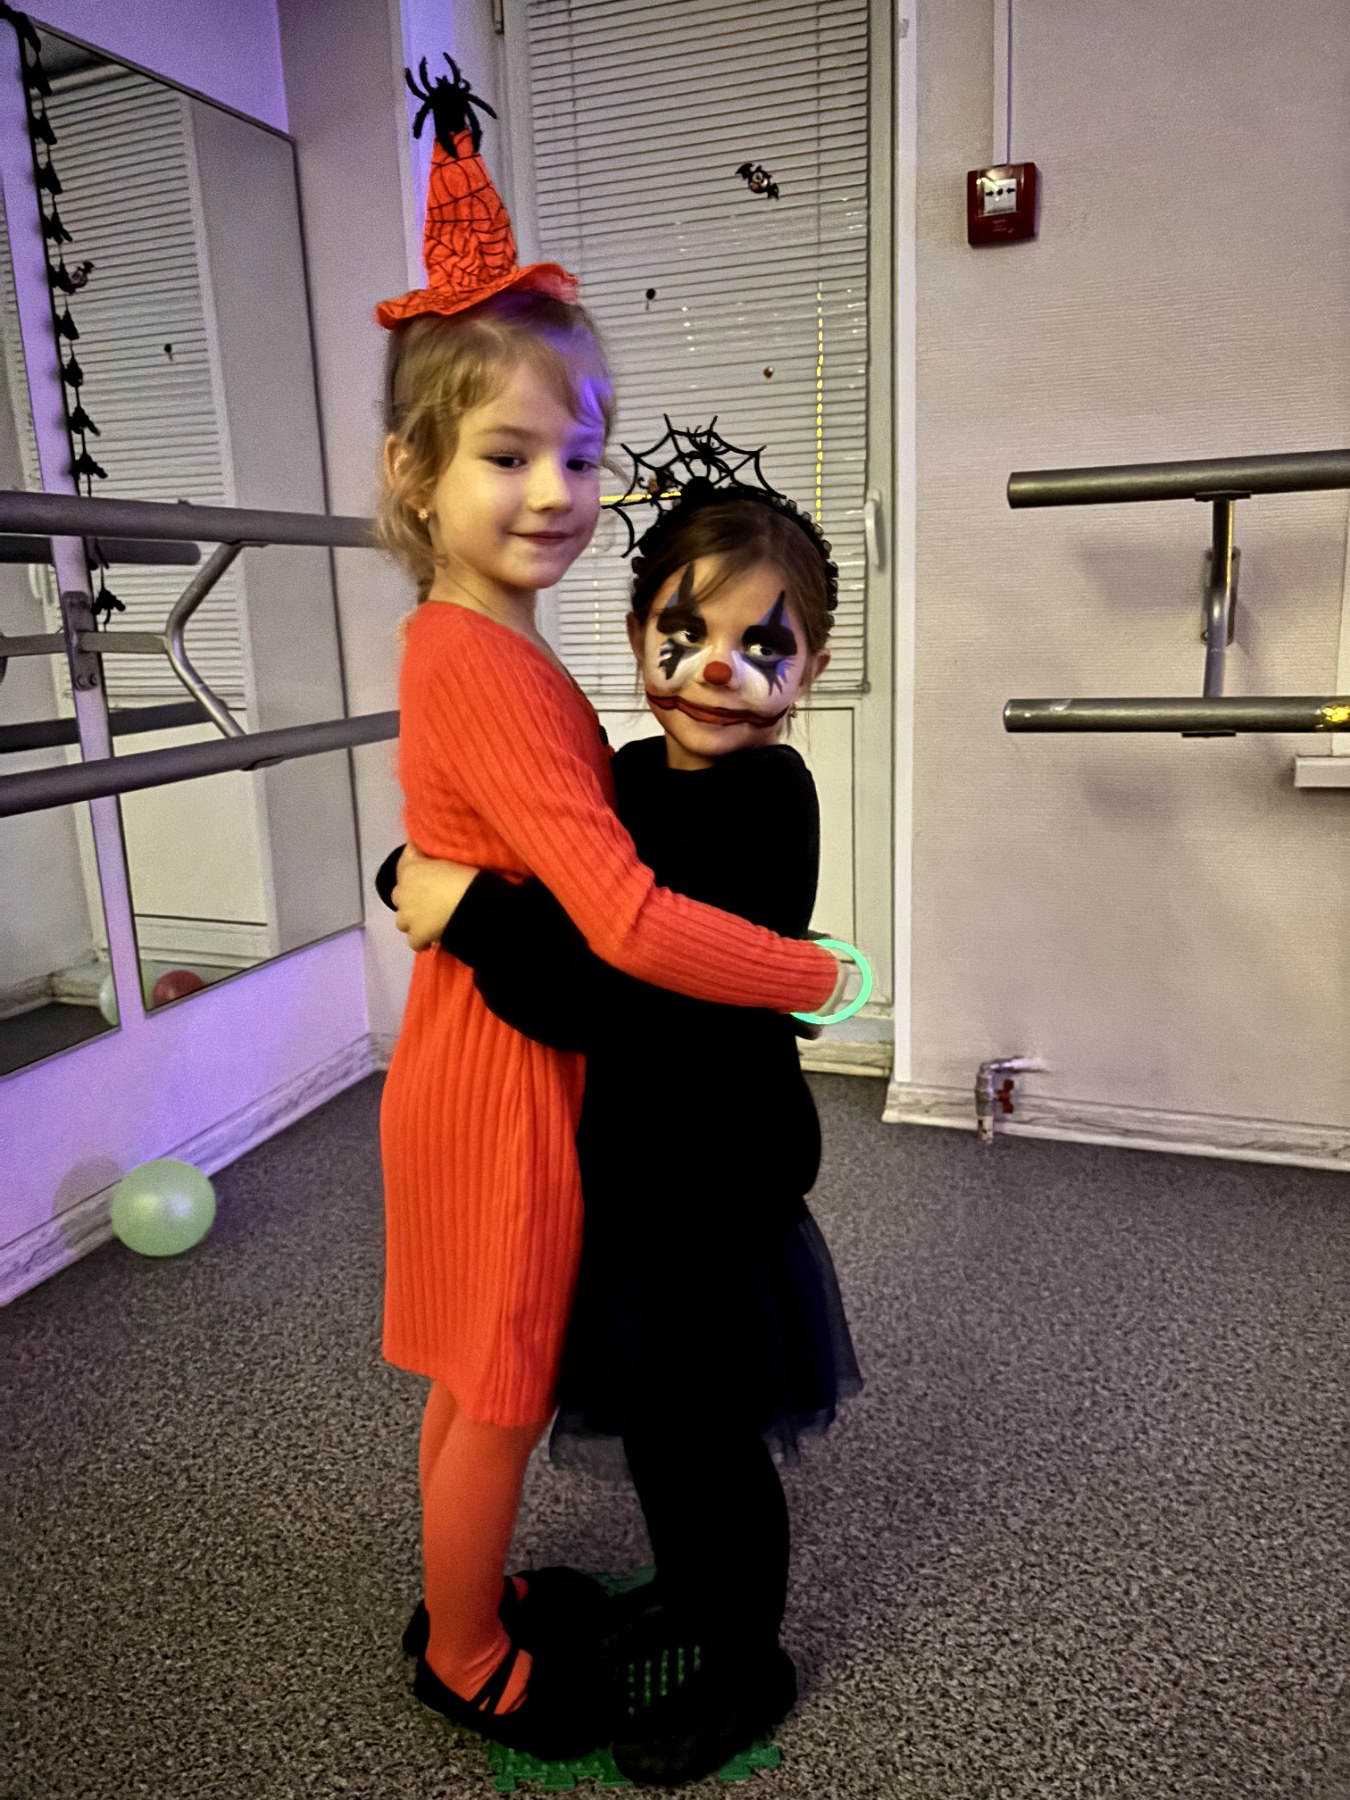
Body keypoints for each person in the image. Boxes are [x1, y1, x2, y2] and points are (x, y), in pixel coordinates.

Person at [372, 64, 850, 1766]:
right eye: (507, 454)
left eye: (578, 455)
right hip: (522, 1083)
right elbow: (616, 928)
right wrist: (812, 972)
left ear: (809, 667)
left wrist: (438, 892)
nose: (555, 488)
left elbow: (582, 909)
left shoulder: (501, 661)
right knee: (503, 1388)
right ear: (415, 475)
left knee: (571, 1400)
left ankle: (650, 1628)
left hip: (654, 1144)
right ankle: (469, 1645)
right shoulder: (502, 669)